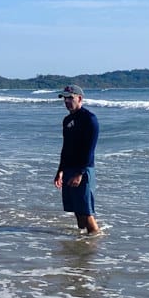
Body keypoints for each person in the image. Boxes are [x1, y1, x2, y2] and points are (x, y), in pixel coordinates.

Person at [53, 84, 101, 235]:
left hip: (83, 170)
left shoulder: (89, 119)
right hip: (69, 169)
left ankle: (95, 242)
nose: (67, 101)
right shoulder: (67, 120)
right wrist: (60, 171)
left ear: (79, 98)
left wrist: (80, 173)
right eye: (64, 98)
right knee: (77, 213)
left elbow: (89, 149)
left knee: (86, 213)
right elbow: (66, 147)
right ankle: (81, 244)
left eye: (70, 98)